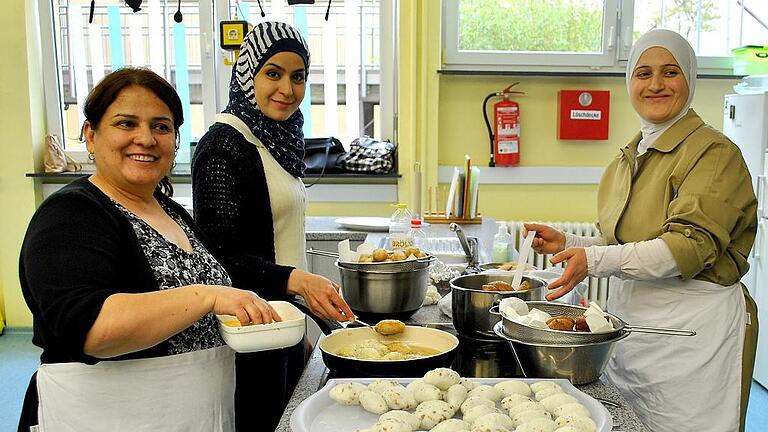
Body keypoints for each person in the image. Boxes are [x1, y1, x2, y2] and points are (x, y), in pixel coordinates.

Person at [17, 67, 281, 431]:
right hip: (110, 417)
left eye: (161, 126)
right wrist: (207, 296)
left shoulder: (171, 211)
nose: (146, 138)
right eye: (126, 124)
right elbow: (92, 330)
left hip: (194, 411)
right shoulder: (71, 214)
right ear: (90, 136)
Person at [525, 29, 757, 432]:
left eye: (670, 72)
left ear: (690, 79)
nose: (655, 84)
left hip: (694, 339)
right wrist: (570, 244)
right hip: (635, 330)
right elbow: (625, 247)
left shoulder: (715, 155)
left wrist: (593, 258)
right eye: (643, 73)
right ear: (629, 82)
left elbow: (684, 249)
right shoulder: (628, 158)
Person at [191, 21, 354, 431]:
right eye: (273, 73)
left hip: (281, 318)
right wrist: (298, 282)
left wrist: (299, 299)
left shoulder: (278, 137)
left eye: (298, 77)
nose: (287, 89)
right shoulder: (224, 144)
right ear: (248, 74)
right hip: (252, 328)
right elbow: (220, 257)